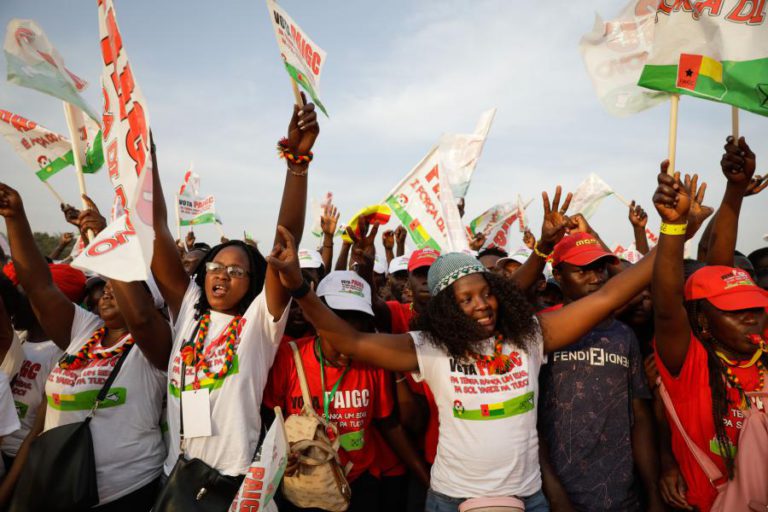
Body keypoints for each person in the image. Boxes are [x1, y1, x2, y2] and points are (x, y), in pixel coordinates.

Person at [266, 182, 665, 512]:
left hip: (528, 499)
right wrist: (300, 288)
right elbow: (349, 339)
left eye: (486, 293)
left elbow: (608, 298)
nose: (482, 306)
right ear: (446, 310)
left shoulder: (529, 336)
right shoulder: (430, 348)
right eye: (466, 299)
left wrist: (673, 230)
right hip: (450, 500)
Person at [149, 96, 318, 505]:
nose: (222, 275)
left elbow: (285, 241)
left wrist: (297, 162)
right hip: (175, 474)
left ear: (253, 282)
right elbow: (154, 224)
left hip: (232, 487)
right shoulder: (189, 308)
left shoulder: (260, 322)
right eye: (214, 266)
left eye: (237, 270)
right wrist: (144, 157)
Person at [0, 187, 170, 510]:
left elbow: (144, 320)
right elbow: (39, 287)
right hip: (59, 488)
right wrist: (15, 217)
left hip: (124, 493)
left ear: (149, 299)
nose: (106, 292)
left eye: (117, 285)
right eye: (103, 285)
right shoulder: (85, 329)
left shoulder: (156, 343)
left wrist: (105, 239)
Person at [653, 137, 768, 511]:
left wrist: (735, 190)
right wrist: (673, 229)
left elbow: (719, 270)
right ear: (701, 322)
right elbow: (669, 307)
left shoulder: (762, 353)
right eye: (734, 311)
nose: (751, 316)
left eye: (755, 306)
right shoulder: (691, 365)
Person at [264, 270, 429, 511]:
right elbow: (269, 419)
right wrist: (278, 459)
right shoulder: (289, 357)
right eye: (336, 336)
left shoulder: (372, 364)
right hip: (304, 484)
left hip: (359, 485)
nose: (345, 350)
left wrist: (426, 479)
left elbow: (387, 422)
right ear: (317, 321)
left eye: (356, 328)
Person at [538, 231, 662, 511]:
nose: (595, 277)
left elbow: (639, 416)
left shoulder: (623, 335)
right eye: (582, 270)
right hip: (554, 494)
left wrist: (652, 491)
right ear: (557, 273)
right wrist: (553, 491)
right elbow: (527, 421)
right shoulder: (540, 331)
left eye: (600, 268)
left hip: (619, 495)